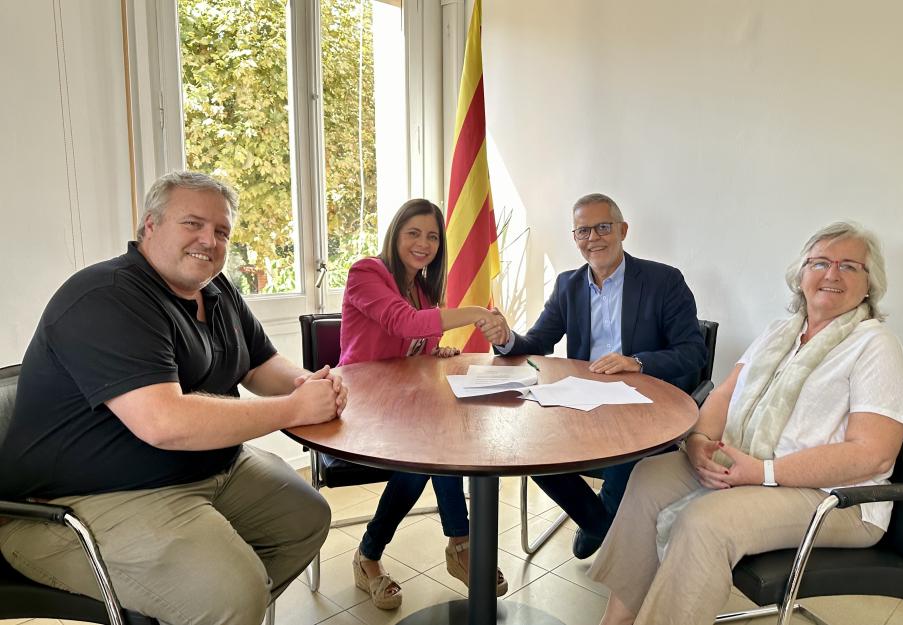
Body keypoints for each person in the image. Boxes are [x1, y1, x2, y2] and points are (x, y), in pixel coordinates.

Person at [0, 171, 347, 625]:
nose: (210, 239)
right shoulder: (106, 297)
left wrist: (309, 385)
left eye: (222, 231)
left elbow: (259, 364)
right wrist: (294, 408)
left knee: (305, 519)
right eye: (193, 224)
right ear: (149, 226)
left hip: (209, 470)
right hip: (83, 501)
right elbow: (165, 423)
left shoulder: (216, 289)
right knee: (231, 593)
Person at [589, 222, 903, 625]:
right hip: (746, 464)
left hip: (833, 500)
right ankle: (616, 621)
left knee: (705, 523)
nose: (832, 274)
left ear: (869, 284)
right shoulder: (780, 332)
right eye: (820, 263)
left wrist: (763, 472)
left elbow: (872, 453)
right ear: (801, 275)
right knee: (648, 477)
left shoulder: (876, 346)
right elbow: (724, 393)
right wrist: (699, 442)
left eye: (849, 266)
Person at [478, 192, 707, 559]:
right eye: (583, 231)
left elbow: (693, 352)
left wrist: (637, 361)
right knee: (532, 450)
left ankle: (603, 522)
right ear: (575, 238)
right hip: (582, 400)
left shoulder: (663, 281)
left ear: (623, 230)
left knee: (622, 456)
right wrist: (507, 339)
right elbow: (538, 342)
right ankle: (597, 522)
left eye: (603, 227)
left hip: (643, 402)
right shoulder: (568, 284)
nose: (593, 238)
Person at [339, 198, 507, 609]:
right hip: (359, 401)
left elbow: (416, 339)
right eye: (413, 232)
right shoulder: (367, 272)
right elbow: (403, 323)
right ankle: (388, 552)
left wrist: (435, 351)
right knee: (429, 455)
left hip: (400, 403)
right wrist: (473, 313)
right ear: (395, 233)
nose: (423, 243)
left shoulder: (420, 286)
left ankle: (442, 545)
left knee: (440, 440)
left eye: (432, 236)